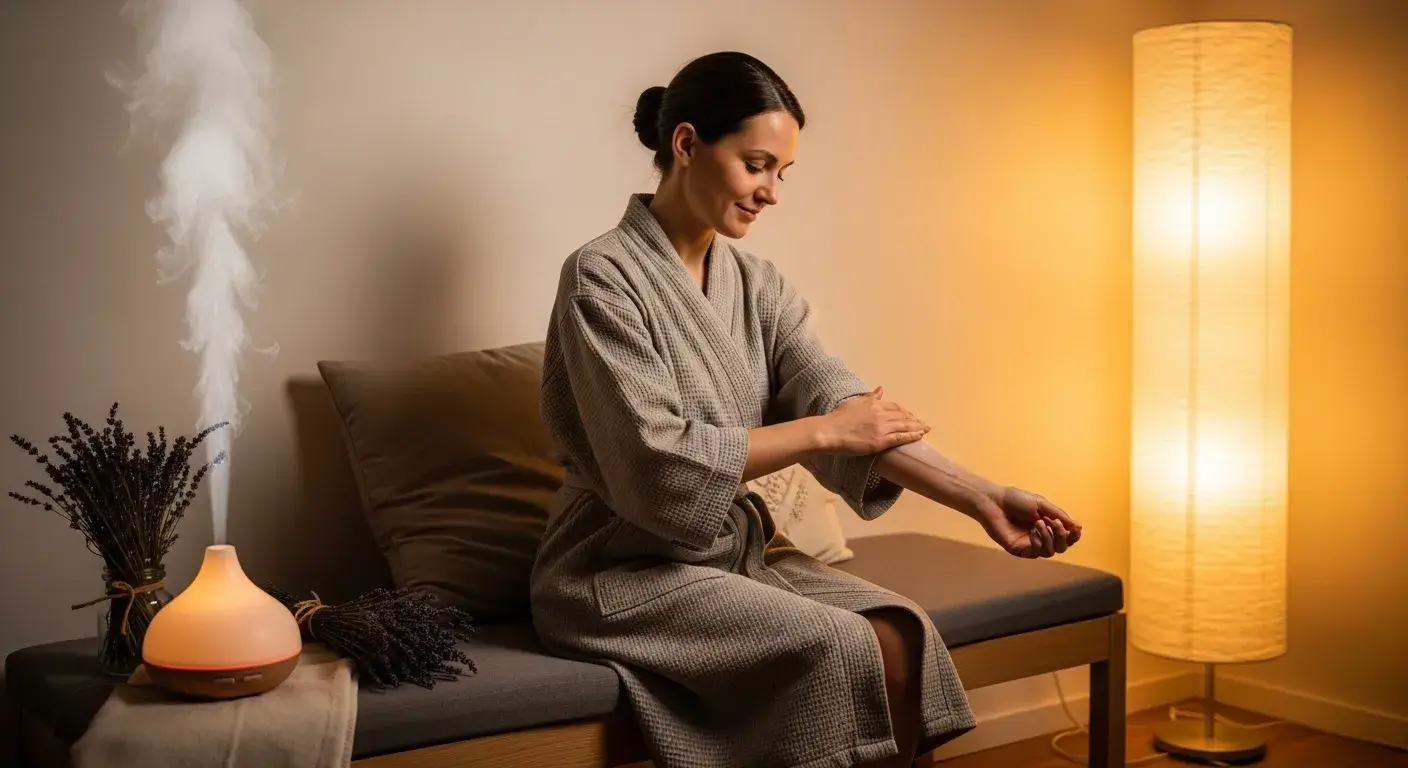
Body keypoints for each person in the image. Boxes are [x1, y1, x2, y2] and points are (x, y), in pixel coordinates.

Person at [530, 51, 1083, 768]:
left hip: (729, 558)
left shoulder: (759, 285)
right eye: (757, 164)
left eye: (782, 173)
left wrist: (982, 498)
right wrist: (826, 430)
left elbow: (841, 400)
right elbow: (656, 461)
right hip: (615, 572)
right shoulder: (600, 276)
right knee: (842, 645)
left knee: (899, 630)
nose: (772, 193)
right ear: (688, 144)